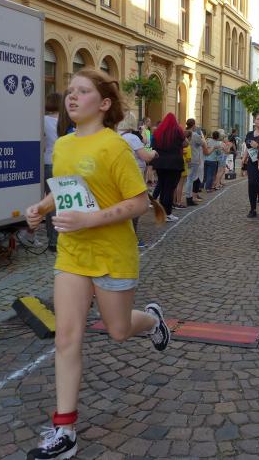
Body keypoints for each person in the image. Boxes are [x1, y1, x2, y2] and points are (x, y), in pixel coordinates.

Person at [24, 69, 170, 459]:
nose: (71, 97)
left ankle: (152, 321)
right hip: (72, 254)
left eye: (83, 91)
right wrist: (41, 207)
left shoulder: (114, 147)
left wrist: (90, 220)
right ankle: (65, 430)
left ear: (104, 104)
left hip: (112, 255)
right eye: (70, 91)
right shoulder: (63, 145)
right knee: (66, 338)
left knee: (118, 330)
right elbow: (65, 190)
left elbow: (139, 202)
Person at [119, 112, 159, 242]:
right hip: (134, 174)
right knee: (136, 205)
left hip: (119, 174)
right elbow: (146, 156)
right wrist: (154, 152)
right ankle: (132, 236)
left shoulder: (115, 136)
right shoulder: (132, 138)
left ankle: (123, 235)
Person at [43, 92, 63, 252]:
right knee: (61, 202)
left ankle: (53, 240)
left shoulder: (43, 120)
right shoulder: (67, 121)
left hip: (48, 162)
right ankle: (59, 239)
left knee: (50, 203)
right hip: (63, 163)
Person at [243, 112, 259, 217]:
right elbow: (248, 148)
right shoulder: (249, 134)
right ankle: (253, 209)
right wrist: (244, 159)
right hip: (252, 163)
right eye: (257, 119)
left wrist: (258, 146)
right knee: (252, 184)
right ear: (254, 120)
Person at [184, 118, 206, 206]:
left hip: (186, 158)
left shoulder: (184, 132)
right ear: (193, 125)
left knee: (188, 179)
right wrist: (202, 137)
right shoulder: (195, 135)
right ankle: (189, 197)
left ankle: (189, 196)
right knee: (190, 179)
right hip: (194, 159)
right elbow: (203, 143)